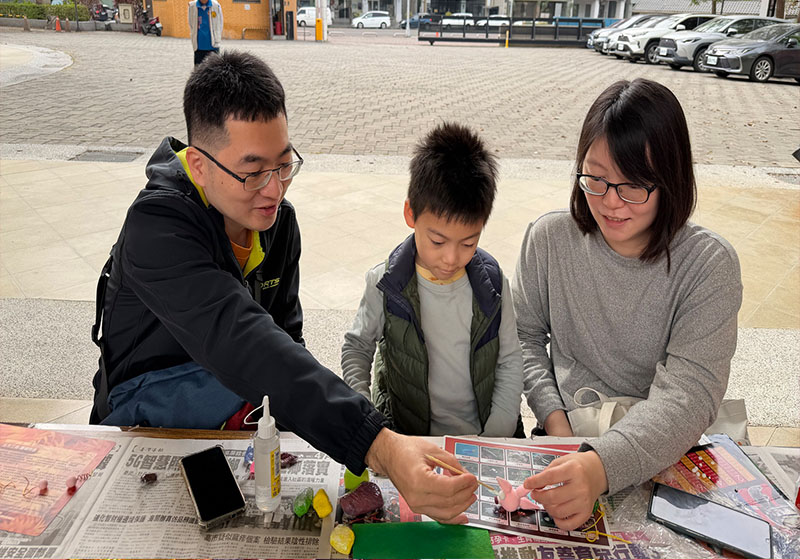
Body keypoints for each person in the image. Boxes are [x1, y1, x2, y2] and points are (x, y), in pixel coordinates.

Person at [89, 51, 477, 523]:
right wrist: (377, 442)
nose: (274, 190)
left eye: (284, 164)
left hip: (238, 410)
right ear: (199, 164)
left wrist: (312, 425)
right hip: (144, 412)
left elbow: (285, 339)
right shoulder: (156, 227)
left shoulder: (277, 224)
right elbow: (242, 341)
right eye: (252, 172)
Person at [513, 78, 742, 530]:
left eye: (633, 184)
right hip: (567, 436)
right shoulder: (549, 239)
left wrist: (599, 465)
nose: (611, 203)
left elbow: (689, 394)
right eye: (595, 178)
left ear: (671, 179)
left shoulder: (708, 264)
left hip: (663, 448)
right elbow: (524, 336)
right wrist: (559, 429)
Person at [341, 122, 524, 438]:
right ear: (410, 214)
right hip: (409, 439)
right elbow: (357, 347)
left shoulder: (493, 284)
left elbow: (510, 359)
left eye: (468, 243)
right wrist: (367, 421)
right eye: (438, 241)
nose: (451, 258)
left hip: (485, 436)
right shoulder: (386, 284)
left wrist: (495, 437)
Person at [188, 0, 222, 66]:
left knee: (215, 68)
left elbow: (220, 24)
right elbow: (191, 24)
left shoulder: (216, 5)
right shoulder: (192, 6)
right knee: (199, 68)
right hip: (199, 46)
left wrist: (217, 37)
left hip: (213, 46)